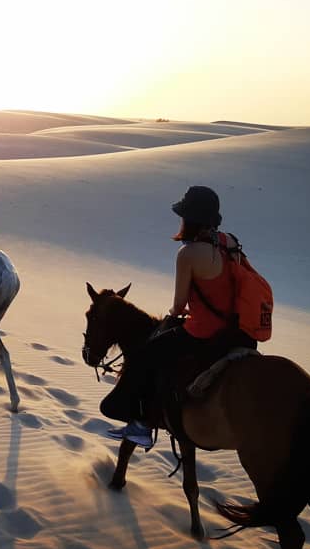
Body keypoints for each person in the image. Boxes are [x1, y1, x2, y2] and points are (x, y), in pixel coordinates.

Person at [105, 185, 257, 448]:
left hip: (204, 332)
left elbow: (179, 305)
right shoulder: (229, 241)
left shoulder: (187, 254)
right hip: (236, 330)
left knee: (145, 355)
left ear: (190, 218)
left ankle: (140, 424)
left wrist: (176, 315)